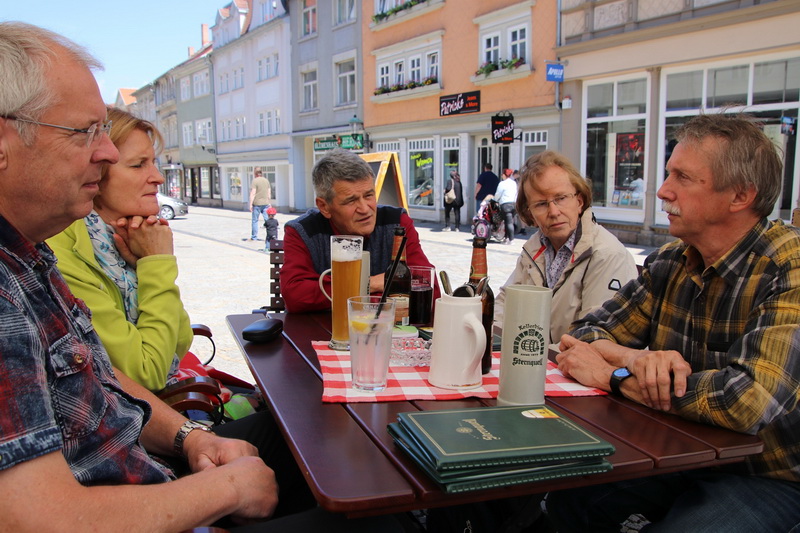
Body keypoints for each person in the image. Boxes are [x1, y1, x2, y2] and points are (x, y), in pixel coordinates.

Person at [0, 22, 407, 532]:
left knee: (319, 436)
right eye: (85, 132)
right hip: (136, 496)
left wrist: (191, 439)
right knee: (379, 516)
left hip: (151, 462)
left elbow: (110, 376)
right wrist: (222, 488)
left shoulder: (32, 259)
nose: (103, 156)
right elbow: (32, 519)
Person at [547, 113, 800, 532]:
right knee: (570, 496)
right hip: (682, 449)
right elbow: (581, 338)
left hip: (769, 474)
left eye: (682, 177)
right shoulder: (671, 262)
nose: (663, 191)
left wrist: (616, 376)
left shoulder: (788, 267)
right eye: (668, 174)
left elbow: (746, 402)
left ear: (740, 195)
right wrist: (633, 357)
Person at [47, 107, 192, 392]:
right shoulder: (63, 250)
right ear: (96, 173)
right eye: (138, 165)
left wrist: (143, 266)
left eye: (153, 163)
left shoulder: (119, 241)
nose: (157, 177)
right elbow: (146, 373)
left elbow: (181, 341)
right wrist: (156, 262)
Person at [494, 151, 638, 343]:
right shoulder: (535, 248)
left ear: (579, 202)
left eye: (561, 198)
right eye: (541, 204)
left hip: (572, 368)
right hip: (538, 362)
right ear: (530, 213)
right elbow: (505, 303)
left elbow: (595, 339)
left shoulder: (607, 254)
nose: (553, 212)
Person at [282, 148, 439, 313]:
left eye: (369, 195)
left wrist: (341, 292)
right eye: (351, 200)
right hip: (324, 333)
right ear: (324, 206)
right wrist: (373, 284)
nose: (365, 209)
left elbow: (429, 289)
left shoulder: (397, 223)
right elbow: (295, 295)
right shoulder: (302, 231)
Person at [493, 168, 518, 244]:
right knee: (509, 221)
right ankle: (506, 238)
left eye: (502, 175)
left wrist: (495, 200)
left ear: (504, 175)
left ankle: (511, 239)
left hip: (506, 205)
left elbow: (498, 194)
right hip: (514, 204)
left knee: (508, 222)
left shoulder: (502, 183)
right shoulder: (513, 183)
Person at [249, 167, 272, 240]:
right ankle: (270, 236)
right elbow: (269, 193)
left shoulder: (255, 181)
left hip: (257, 204)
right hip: (266, 203)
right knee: (268, 220)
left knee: (255, 220)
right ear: (261, 173)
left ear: (255, 173)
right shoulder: (266, 181)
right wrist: (269, 202)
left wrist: (250, 204)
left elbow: (253, 193)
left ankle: (254, 237)